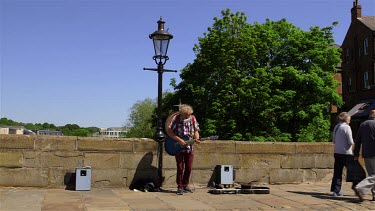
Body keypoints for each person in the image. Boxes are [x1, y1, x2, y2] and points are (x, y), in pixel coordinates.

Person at [166, 104, 200, 195]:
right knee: (180, 168)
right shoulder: (176, 119)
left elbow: (196, 130)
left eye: (189, 114)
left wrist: (197, 138)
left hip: (189, 147)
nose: (188, 116)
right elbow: (169, 131)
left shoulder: (193, 118)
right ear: (182, 114)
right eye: (186, 115)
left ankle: (185, 185)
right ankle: (180, 186)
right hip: (178, 147)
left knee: (188, 167)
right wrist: (179, 140)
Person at [330, 112, 355, 196]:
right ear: (346, 119)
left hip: (337, 152)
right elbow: (350, 141)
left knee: (337, 172)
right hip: (346, 153)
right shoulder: (347, 127)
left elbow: (333, 141)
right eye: (349, 119)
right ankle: (358, 188)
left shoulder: (336, 127)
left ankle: (335, 190)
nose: (350, 121)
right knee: (354, 172)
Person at [353, 110, 375, 202]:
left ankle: (374, 195)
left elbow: (357, 141)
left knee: (372, 174)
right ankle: (361, 187)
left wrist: (356, 154)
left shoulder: (363, 125)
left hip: (366, 154)